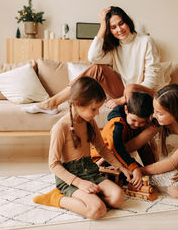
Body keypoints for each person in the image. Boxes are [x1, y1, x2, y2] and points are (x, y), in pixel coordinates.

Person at [24, 6, 164, 115]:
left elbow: (152, 80)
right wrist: (103, 25)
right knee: (97, 68)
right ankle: (53, 103)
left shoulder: (145, 41)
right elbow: (93, 57)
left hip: (144, 93)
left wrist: (123, 99)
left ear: (128, 22)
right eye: (113, 27)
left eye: (121, 23)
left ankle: (52, 103)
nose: (119, 29)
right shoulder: (116, 47)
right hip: (124, 90)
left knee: (130, 87)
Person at [33, 76, 132, 219]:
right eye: (94, 109)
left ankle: (90, 199)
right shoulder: (60, 127)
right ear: (77, 103)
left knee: (118, 197)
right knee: (97, 211)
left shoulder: (89, 122)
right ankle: (57, 198)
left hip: (90, 171)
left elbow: (102, 149)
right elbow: (53, 165)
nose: (97, 113)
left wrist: (121, 168)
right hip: (70, 177)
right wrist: (79, 183)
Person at [91, 91, 158, 189]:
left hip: (119, 158)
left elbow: (141, 146)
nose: (136, 125)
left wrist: (151, 168)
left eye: (141, 122)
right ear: (126, 109)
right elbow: (116, 148)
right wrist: (135, 168)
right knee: (135, 175)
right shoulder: (116, 124)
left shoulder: (137, 124)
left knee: (143, 173)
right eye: (133, 120)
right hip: (101, 158)